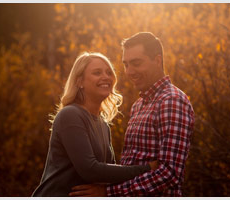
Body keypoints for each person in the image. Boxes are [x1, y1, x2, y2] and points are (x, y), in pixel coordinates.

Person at [69, 32, 195, 197]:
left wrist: (108, 192)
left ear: (157, 60)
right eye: (126, 65)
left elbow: (169, 173)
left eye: (136, 63)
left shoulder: (171, 101)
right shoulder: (138, 105)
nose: (129, 71)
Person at [32, 52, 158, 197]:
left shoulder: (103, 124)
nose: (106, 77)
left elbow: (109, 173)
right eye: (97, 73)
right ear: (79, 81)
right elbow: (90, 170)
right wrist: (146, 169)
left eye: (109, 72)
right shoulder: (70, 115)